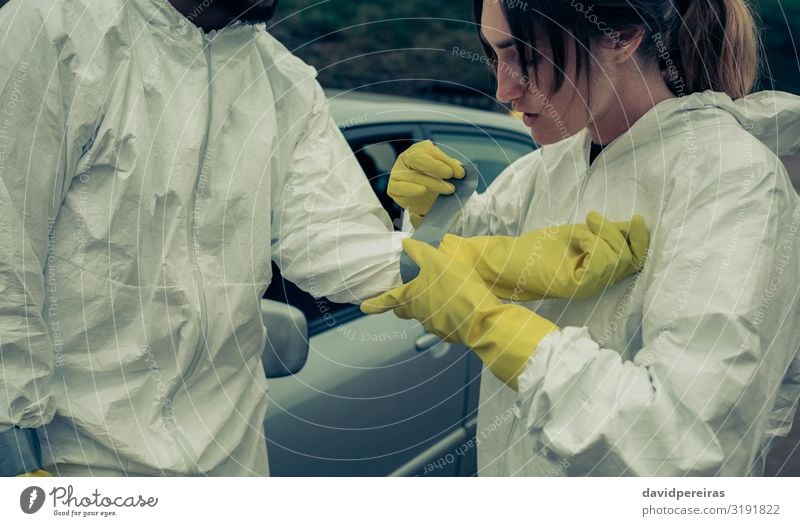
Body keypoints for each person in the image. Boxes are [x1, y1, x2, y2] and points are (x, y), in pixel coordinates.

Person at [363, 0, 800, 475]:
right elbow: (465, 249)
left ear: (619, 37)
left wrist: (496, 328)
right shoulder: (549, 167)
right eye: (493, 57)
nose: (503, 88)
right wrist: (435, 213)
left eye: (523, 55)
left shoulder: (732, 182)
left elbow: (684, 442)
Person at [0, 0, 415, 477]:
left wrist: (443, 254)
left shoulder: (284, 82)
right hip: (77, 462)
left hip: (230, 459)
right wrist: (11, 453)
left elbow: (331, 244)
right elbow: (7, 250)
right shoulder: (56, 30)